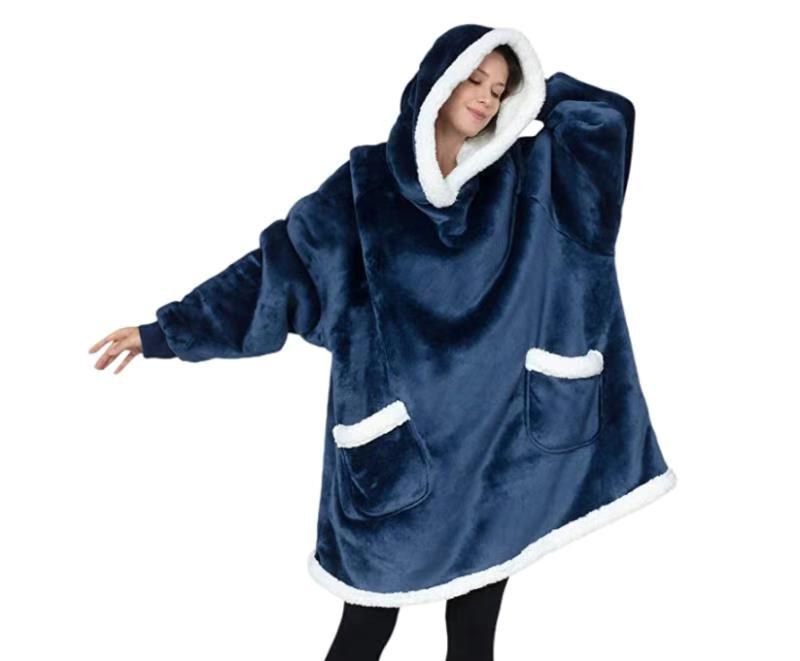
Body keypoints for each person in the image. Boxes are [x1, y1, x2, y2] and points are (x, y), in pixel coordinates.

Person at [90, 24, 677, 661]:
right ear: (438, 82)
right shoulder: (364, 188)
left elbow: (605, 123)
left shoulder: (524, 176)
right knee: (365, 631)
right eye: (475, 79)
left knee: (474, 634)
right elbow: (276, 274)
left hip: (496, 442)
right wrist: (164, 334)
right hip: (406, 447)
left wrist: (541, 93)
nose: (486, 97)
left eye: (501, 88)